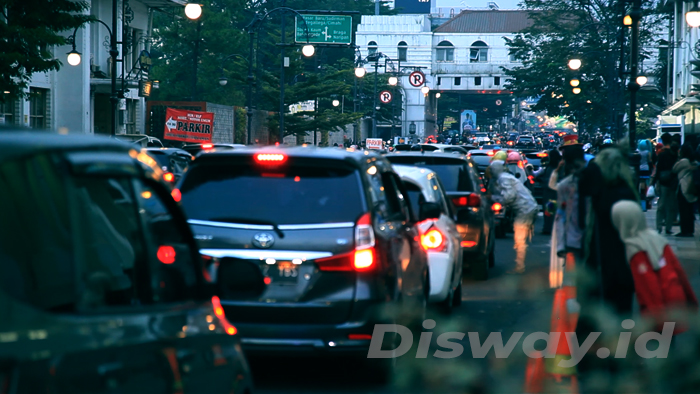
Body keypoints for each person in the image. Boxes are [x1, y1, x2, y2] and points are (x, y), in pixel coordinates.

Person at [486, 160, 538, 274]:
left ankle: (520, 266)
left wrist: (494, 198)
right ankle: (522, 262)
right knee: (523, 237)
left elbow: (509, 196)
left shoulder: (503, 179)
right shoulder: (506, 177)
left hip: (524, 209)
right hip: (529, 207)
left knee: (520, 238)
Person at [654, 133, 679, 234]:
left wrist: (656, 181)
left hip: (663, 181)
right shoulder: (675, 153)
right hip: (673, 181)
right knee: (671, 206)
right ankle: (668, 227)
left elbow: (658, 168)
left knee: (661, 205)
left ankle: (659, 226)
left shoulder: (662, 154)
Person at [673, 143, 697, 237]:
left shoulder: (684, 161)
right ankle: (690, 230)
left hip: (684, 186)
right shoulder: (694, 161)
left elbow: (674, 169)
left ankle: (684, 230)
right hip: (692, 187)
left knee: (683, 210)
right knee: (690, 210)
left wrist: (678, 158)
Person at [534, 149, 561, 235]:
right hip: (551, 192)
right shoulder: (552, 167)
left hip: (551, 192)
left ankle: (549, 228)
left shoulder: (555, 167)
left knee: (550, 211)